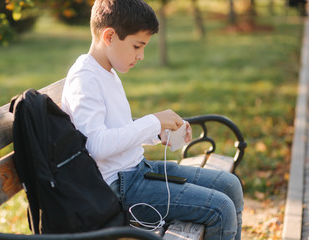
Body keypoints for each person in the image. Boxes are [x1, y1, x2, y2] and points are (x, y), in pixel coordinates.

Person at [61, 0, 244, 239]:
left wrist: (159, 134)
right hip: (121, 190)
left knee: (231, 185)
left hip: (139, 171)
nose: (142, 56)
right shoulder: (85, 78)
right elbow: (96, 146)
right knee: (220, 209)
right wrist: (153, 121)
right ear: (109, 36)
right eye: (137, 46)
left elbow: (119, 130)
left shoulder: (106, 71)